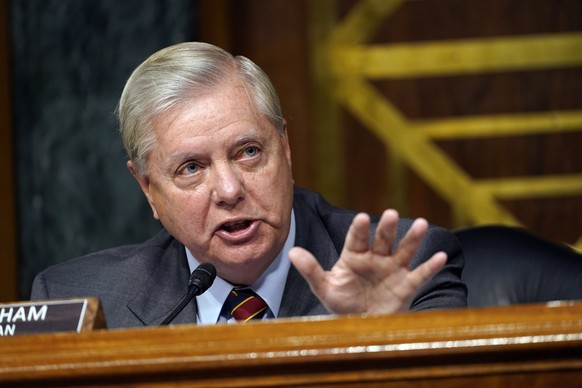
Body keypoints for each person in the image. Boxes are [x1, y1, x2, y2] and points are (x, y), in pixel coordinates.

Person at [30, 42, 467, 328]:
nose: (228, 189)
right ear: (147, 188)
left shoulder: (406, 271)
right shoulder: (79, 302)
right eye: (191, 168)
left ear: (286, 149)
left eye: (248, 152)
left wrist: (371, 341)